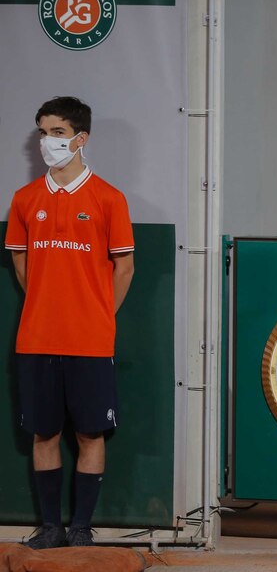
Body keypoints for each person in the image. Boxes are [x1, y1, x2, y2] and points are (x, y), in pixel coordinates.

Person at [5, 97, 135, 548]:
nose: (48, 141)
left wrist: (97, 313)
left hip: (91, 340)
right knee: (44, 432)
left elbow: (125, 269)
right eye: (42, 132)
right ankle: (51, 527)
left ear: (81, 139)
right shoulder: (25, 200)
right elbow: (21, 264)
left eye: (57, 132)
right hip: (36, 337)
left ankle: (81, 527)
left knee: (90, 432)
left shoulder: (109, 198)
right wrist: (47, 303)